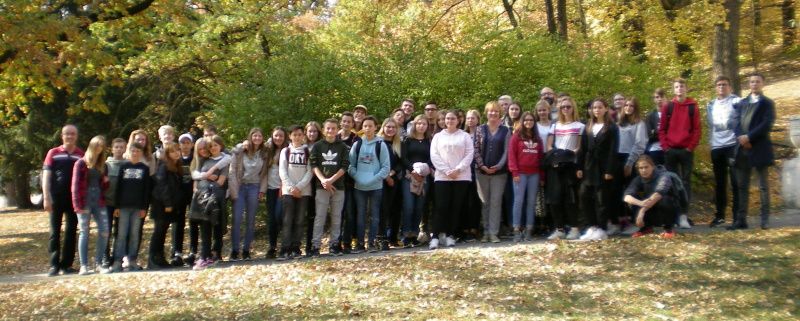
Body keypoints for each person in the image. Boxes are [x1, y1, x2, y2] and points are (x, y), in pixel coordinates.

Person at [730, 73, 775, 230]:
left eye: (757, 81)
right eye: (752, 81)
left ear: (762, 84)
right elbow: (734, 122)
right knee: (742, 185)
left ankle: (765, 220)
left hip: (760, 148)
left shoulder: (767, 103)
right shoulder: (742, 103)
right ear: (749, 84)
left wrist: (749, 137)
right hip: (742, 149)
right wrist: (741, 138)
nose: (754, 84)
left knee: (763, 185)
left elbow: (766, 124)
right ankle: (741, 220)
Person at [658, 78, 701, 229]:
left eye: (682, 86)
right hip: (670, 150)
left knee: (686, 183)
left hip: (686, 150)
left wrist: (691, 147)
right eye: (677, 87)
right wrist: (666, 147)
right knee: (671, 183)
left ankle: (683, 215)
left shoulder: (693, 107)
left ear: (686, 88)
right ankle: (673, 215)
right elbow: (662, 129)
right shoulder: (668, 106)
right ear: (674, 89)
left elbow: (696, 129)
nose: (679, 89)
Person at [43, 124, 84, 276]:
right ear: (62, 136)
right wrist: (46, 197)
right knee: (55, 232)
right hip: (56, 197)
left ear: (76, 136)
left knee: (71, 231)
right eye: (67, 134)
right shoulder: (53, 153)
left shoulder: (81, 154)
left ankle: (66, 264)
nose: (70, 136)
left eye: (73, 134)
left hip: (74, 198)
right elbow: (46, 176)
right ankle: (54, 265)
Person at [429, 110, 474, 249]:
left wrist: (458, 169)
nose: (449, 121)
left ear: (458, 120)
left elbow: (469, 154)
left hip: (461, 177)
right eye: (447, 118)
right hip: (442, 177)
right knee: (441, 207)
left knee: (455, 207)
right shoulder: (437, 136)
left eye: (452, 118)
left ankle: (450, 235)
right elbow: (434, 155)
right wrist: (447, 171)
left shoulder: (465, 136)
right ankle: (435, 237)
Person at [577, 98, 620, 241]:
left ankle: (602, 228)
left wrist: (609, 170)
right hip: (589, 166)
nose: (597, 110)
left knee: (602, 199)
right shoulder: (588, 126)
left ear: (606, 109)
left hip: (603, 167)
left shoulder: (612, 127)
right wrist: (579, 166)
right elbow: (582, 148)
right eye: (594, 107)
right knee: (584, 196)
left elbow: (613, 150)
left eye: (600, 107)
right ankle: (592, 226)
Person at [348, 116, 391, 253]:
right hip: (359, 187)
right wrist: (358, 178)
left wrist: (373, 180)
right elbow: (350, 166)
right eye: (365, 126)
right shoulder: (357, 144)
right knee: (360, 215)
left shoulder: (381, 145)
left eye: (370, 126)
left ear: (375, 127)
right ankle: (360, 243)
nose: (367, 128)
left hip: (376, 187)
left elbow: (386, 167)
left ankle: (371, 243)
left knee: (375, 215)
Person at [309, 119, 350, 257]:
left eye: (333, 128)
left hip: (338, 187)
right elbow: (313, 165)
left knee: (336, 217)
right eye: (328, 128)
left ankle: (334, 245)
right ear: (324, 130)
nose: (331, 131)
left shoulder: (343, 146)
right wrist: (323, 181)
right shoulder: (317, 146)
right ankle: (315, 246)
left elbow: (345, 166)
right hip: (321, 187)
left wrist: (331, 180)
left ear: (337, 129)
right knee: (319, 217)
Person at [545, 96, 585, 240]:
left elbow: (579, 147)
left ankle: (574, 228)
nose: (566, 109)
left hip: (570, 165)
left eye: (568, 106)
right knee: (555, 198)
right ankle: (559, 229)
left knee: (570, 199)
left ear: (573, 108)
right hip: (556, 165)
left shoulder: (580, 126)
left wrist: (567, 155)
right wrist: (556, 156)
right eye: (563, 107)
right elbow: (549, 145)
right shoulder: (555, 125)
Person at [71, 135, 110, 275]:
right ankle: (84, 265)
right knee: (84, 232)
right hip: (84, 200)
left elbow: (104, 187)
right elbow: (75, 186)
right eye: (97, 146)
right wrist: (77, 205)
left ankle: (99, 263)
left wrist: (106, 181)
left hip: (99, 200)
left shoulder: (103, 165)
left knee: (104, 231)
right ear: (92, 146)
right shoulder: (81, 163)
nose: (99, 149)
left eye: (102, 147)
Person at [228, 128, 269, 261]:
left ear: (262, 138)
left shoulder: (264, 153)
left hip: (254, 187)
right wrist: (234, 191)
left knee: (251, 221)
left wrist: (262, 190)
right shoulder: (240, 151)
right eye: (254, 136)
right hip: (240, 187)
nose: (257, 138)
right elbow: (232, 171)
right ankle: (235, 250)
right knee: (237, 220)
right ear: (250, 137)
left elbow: (264, 174)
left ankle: (246, 250)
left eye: (259, 136)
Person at [188, 136, 228, 270]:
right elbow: (195, 177)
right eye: (210, 146)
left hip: (215, 198)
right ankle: (204, 256)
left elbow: (221, 181)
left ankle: (214, 254)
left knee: (217, 228)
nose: (212, 148)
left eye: (215, 145)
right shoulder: (204, 160)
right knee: (204, 228)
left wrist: (209, 178)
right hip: (202, 198)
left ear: (220, 146)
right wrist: (208, 176)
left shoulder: (224, 162)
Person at [707, 76, 741, 228]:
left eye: (724, 85)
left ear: (730, 87)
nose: (721, 87)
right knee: (720, 183)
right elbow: (711, 126)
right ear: (716, 88)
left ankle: (737, 216)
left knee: (735, 182)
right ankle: (720, 216)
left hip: (732, 145)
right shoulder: (711, 104)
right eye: (719, 85)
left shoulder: (736, 102)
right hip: (716, 147)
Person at [474, 101, 510, 243]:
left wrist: (498, 166)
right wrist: (482, 166)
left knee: (496, 202)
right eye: (490, 111)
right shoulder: (479, 129)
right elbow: (475, 149)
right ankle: (486, 232)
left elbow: (507, 152)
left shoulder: (506, 130)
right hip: (481, 172)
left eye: (496, 111)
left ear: (499, 113)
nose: (493, 113)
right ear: (486, 113)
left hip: (499, 173)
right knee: (485, 202)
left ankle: (494, 233)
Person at [111, 142, 150, 272]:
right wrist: (116, 206)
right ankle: (117, 261)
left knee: (134, 234)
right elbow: (118, 187)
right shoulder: (123, 166)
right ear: (129, 152)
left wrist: (145, 207)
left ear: (141, 153)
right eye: (133, 151)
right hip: (123, 207)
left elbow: (146, 190)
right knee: (121, 234)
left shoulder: (144, 168)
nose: (135, 153)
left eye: (138, 151)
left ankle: (132, 260)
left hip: (138, 207)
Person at [508, 112, 544, 242]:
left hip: (534, 174)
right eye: (526, 120)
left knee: (531, 202)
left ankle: (529, 229)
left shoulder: (537, 138)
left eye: (531, 120)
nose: (528, 122)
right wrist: (515, 172)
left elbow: (540, 158)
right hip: (520, 174)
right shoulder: (516, 136)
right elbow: (511, 156)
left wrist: (542, 176)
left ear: (534, 122)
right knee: (518, 201)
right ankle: (517, 229)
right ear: (522, 121)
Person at [278, 125, 313, 260]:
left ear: (303, 136)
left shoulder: (308, 151)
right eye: (295, 135)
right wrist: (292, 187)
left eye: (300, 134)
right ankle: (285, 248)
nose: (297, 137)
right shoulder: (285, 151)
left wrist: (299, 187)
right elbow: (282, 171)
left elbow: (310, 171)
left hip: (304, 192)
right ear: (290, 136)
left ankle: (296, 248)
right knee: (287, 220)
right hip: (288, 191)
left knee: (299, 220)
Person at [147, 142, 183, 270]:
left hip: (170, 204)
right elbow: (162, 185)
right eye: (173, 151)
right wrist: (168, 203)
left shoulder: (176, 166)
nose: (176, 153)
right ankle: (152, 259)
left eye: (178, 150)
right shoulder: (163, 165)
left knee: (163, 231)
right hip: (161, 203)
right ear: (167, 154)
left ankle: (160, 258)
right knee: (158, 231)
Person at [623, 155, 677, 238]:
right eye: (641, 168)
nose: (644, 170)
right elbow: (626, 197)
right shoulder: (638, 179)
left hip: (666, 209)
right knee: (632, 201)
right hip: (649, 208)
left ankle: (668, 229)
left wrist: (641, 212)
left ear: (652, 167)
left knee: (665, 199)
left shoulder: (663, 176)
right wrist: (640, 203)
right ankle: (646, 228)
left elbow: (658, 195)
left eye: (646, 167)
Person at [616, 98, 648, 235]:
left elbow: (640, 144)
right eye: (626, 105)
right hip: (618, 159)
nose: (628, 107)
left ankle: (638, 222)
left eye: (631, 106)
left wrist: (629, 163)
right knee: (619, 192)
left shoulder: (639, 124)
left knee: (632, 192)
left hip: (632, 160)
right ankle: (623, 221)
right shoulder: (618, 123)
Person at [401, 115, 432, 247]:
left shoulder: (429, 141)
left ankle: (414, 235)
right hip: (409, 176)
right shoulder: (407, 140)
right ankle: (406, 235)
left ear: (427, 126)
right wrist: (413, 170)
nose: (421, 126)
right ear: (415, 125)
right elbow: (403, 157)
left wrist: (424, 170)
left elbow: (433, 157)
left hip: (424, 178)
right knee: (409, 206)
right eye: (419, 123)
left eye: (424, 124)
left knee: (419, 207)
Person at [377, 117, 404, 250]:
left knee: (396, 210)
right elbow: (375, 162)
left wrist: (392, 174)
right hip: (380, 181)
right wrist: (386, 176)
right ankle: (380, 238)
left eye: (393, 127)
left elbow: (401, 161)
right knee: (383, 210)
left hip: (395, 181)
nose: (391, 129)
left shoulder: (398, 143)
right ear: (383, 127)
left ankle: (393, 237)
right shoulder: (377, 142)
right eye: (388, 127)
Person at [338, 112, 361, 254]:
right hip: (336, 181)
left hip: (351, 182)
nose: (346, 124)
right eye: (344, 121)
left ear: (353, 124)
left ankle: (347, 242)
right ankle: (336, 242)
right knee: (337, 214)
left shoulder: (356, 139)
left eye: (349, 122)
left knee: (350, 213)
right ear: (341, 122)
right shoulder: (334, 137)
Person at [265, 127, 288, 258]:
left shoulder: (288, 150)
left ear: (285, 137)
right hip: (270, 188)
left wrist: (283, 186)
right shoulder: (267, 149)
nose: (278, 138)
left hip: (283, 188)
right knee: (271, 219)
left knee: (280, 216)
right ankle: (272, 246)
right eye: (275, 136)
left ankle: (285, 245)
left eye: (281, 136)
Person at [460, 109, 482, 242]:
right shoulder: (462, 134)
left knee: (475, 201)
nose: (470, 120)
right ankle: (464, 228)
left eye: (473, 118)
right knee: (464, 200)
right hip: (463, 171)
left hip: (478, 170)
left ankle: (474, 228)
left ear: (478, 119)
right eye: (468, 118)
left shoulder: (482, 133)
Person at [172, 133, 194, 266]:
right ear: (179, 144)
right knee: (178, 223)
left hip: (193, 195)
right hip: (179, 195)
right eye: (182, 143)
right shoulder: (176, 159)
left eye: (187, 142)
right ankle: (177, 252)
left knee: (193, 222)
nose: (185, 145)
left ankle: (193, 252)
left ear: (191, 144)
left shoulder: (196, 158)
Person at [304, 121, 322, 254]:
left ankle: (311, 245)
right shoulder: (301, 146)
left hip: (317, 184)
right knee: (300, 216)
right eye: (310, 131)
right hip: (303, 184)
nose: (312, 133)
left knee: (314, 215)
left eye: (315, 131)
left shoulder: (322, 146)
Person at [644, 88, 666, 165]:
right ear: (654, 99)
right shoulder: (650, 116)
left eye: (662, 96)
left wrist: (657, 131)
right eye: (657, 97)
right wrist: (661, 133)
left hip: (669, 149)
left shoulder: (671, 114)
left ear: (665, 98)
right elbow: (649, 135)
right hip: (654, 149)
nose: (659, 99)